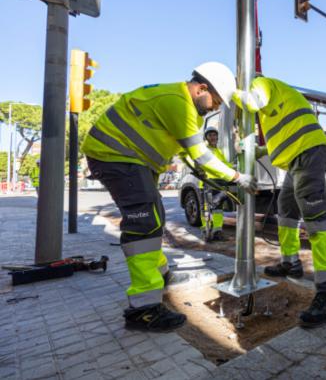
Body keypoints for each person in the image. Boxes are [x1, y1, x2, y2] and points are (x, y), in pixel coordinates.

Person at [81, 62, 257, 332]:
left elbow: (189, 153)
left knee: (154, 218)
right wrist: (236, 177)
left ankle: (161, 275)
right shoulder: (178, 102)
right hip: (118, 156)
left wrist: (210, 172)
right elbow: (199, 154)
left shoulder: (186, 109)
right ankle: (144, 309)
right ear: (201, 88)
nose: (216, 108)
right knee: (143, 224)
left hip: (133, 160)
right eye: (216, 100)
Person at [233, 75, 326, 328]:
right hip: (297, 157)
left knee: (314, 216)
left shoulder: (262, 85)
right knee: (287, 210)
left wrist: (230, 94)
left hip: (309, 151)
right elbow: (280, 140)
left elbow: (251, 101)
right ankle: (290, 263)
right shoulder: (275, 104)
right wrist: (254, 150)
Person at [200, 126, 234, 241]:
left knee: (218, 207)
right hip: (208, 182)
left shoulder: (218, 151)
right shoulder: (205, 150)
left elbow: (224, 164)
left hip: (219, 182)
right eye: (210, 135)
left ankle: (217, 231)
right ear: (206, 138)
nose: (213, 137)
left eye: (214, 135)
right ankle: (206, 230)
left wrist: (235, 169)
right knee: (206, 208)